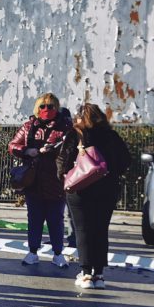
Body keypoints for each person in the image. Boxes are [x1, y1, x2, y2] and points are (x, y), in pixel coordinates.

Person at [57, 103, 131, 289]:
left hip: (80, 189)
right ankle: (99, 274)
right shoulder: (111, 136)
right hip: (107, 189)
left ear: (80, 117)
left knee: (83, 230)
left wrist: (64, 176)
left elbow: (63, 161)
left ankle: (86, 273)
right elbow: (125, 161)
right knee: (100, 230)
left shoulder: (76, 134)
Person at [8, 93, 72, 267]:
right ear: (37, 108)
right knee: (34, 219)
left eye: (50, 106)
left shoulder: (65, 127)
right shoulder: (29, 126)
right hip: (33, 181)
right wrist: (27, 151)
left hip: (56, 181)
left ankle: (58, 253)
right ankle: (32, 252)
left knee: (55, 220)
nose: (46, 109)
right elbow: (12, 145)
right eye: (43, 106)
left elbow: (72, 148)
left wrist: (55, 150)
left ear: (57, 108)